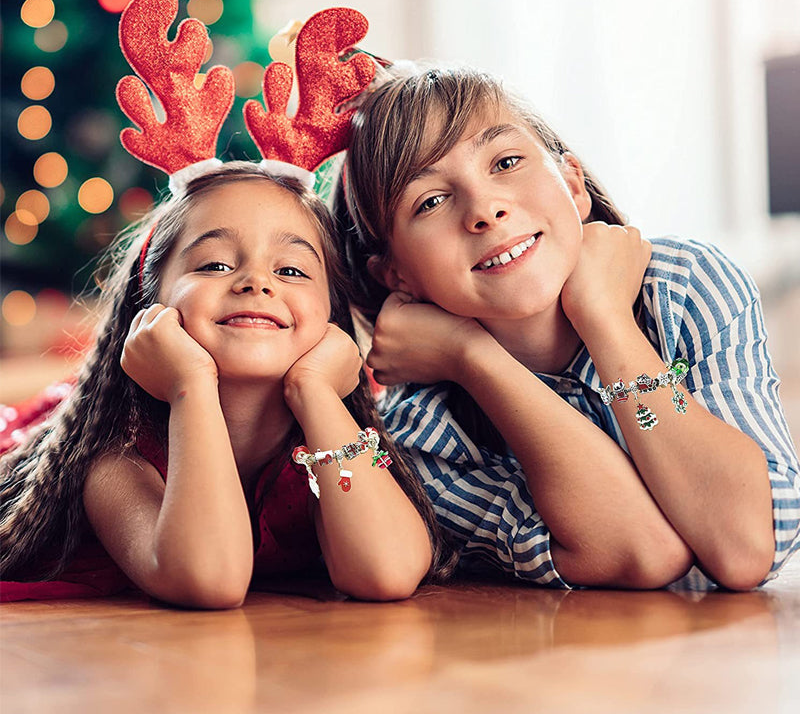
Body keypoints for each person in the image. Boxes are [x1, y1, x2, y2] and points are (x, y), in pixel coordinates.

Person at [0, 0, 455, 606]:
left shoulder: (330, 429)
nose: (255, 283)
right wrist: (189, 386)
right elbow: (208, 579)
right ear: (148, 298)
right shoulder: (112, 458)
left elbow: (387, 573)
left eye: (293, 271)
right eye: (214, 262)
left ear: (332, 312)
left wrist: (318, 392)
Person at [333, 64, 800, 591]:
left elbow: (746, 545)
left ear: (574, 186)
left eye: (506, 162)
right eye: (431, 201)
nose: (485, 209)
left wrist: (606, 323)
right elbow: (643, 550)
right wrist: (472, 358)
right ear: (396, 274)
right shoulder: (422, 433)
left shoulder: (686, 287)